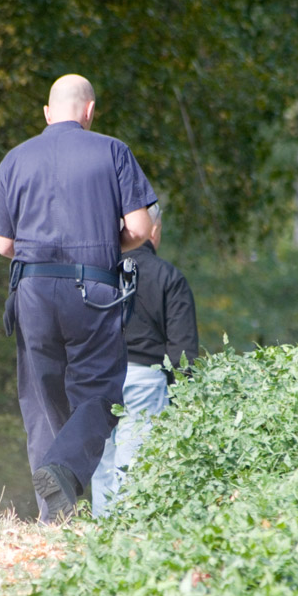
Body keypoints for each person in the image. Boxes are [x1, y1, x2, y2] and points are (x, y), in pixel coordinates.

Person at [0, 74, 156, 521]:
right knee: (99, 393)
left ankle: (53, 516)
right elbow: (140, 228)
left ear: (47, 112)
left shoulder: (16, 158)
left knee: (42, 400)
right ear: (89, 110)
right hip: (93, 288)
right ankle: (63, 471)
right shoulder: (112, 150)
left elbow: (3, 243)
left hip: (32, 289)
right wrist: (102, 245)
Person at [90, 202, 199, 516]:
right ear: (154, 230)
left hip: (98, 375)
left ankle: (101, 527)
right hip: (145, 379)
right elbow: (182, 349)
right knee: (133, 461)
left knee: (102, 461)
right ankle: (126, 529)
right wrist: (185, 397)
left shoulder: (97, 273)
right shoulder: (169, 277)